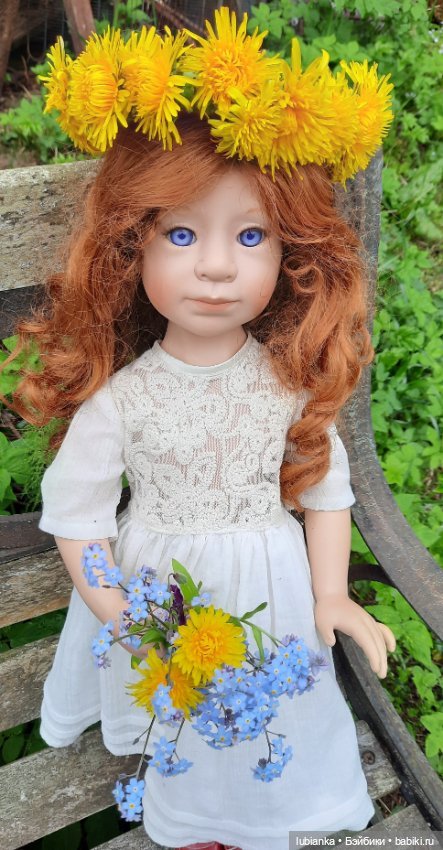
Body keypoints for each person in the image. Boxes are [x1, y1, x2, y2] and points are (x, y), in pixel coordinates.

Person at [4, 9, 396, 850]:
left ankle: (269, 812)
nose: (216, 266)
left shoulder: (286, 387)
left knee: (267, 707)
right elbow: (78, 517)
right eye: (180, 234)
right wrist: (119, 613)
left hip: (273, 589)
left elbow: (326, 491)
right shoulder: (124, 401)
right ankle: (191, 820)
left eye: (250, 236)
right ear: (131, 249)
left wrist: (330, 595)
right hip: (161, 597)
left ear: (288, 254)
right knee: (184, 713)